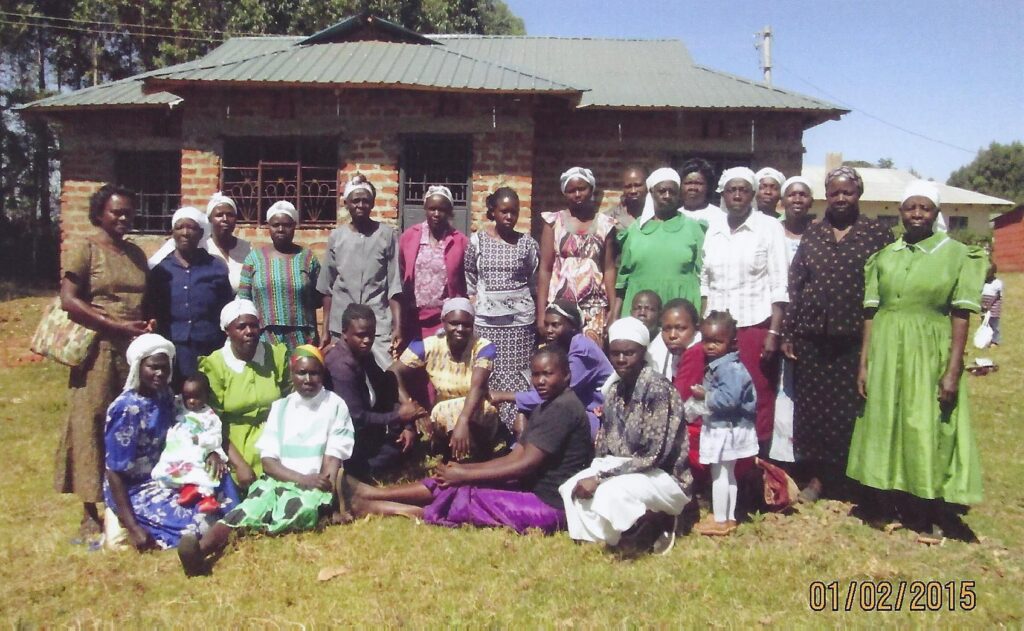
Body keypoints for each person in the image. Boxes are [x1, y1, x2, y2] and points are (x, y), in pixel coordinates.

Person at [847, 181, 985, 542]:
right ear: (900, 212)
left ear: (936, 213)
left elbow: (960, 314)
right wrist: (864, 362)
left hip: (929, 349)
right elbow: (871, 313)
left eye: (925, 208)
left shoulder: (956, 254)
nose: (917, 214)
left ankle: (924, 508)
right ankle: (881, 502)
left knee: (923, 424)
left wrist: (953, 369)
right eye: (911, 207)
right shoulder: (886, 256)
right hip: (886, 346)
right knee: (884, 421)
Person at [340, 346, 594, 534]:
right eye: (536, 374)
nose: (539, 381)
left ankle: (381, 507)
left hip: (551, 505)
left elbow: (525, 464)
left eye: (547, 374)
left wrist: (465, 476)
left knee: (466, 498)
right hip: (531, 488)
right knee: (450, 483)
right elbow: (516, 456)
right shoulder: (546, 405)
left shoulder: (563, 408)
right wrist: (463, 470)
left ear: (566, 376)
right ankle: (372, 493)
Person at [178, 345, 355, 575]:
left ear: (322, 374)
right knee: (246, 510)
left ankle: (258, 528)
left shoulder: (335, 405)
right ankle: (198, 553)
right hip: (280, 480)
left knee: (298, 510)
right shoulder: (281, 407)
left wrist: (323, 490)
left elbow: (333, 458)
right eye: (301, 373)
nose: (308, 379)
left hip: (315, 486)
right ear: (292, 375)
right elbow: (269, 462)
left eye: (314, 373)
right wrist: (302, 479)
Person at [781, 166, 893, 500]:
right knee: (813, 410)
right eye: (834, 193)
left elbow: (885, 287)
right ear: (826, 196)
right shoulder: (814, 233)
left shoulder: (877, 235)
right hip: (812, 337)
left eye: (847, 192)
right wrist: (789, 331)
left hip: (854, 337)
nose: (841, 198)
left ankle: (850, 476)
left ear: (859, 194)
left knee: (851, 408)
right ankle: (817, 477)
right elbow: (797, 283)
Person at [56, 184, 153, 540]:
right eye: (116, 212)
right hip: (97, 350)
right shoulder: (87, 249)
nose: (123, 218)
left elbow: (143, 301)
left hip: (131, 352)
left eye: (128, 212)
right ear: (100, 214)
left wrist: (146, 323)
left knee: (129, 421)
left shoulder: (136, 255)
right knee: (92, 421)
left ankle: (128, 501)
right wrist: (113, 325)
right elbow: (68, 301)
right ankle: (89, 509)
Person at [560, 317, 691, 553]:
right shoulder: (615, 390)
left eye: (629, 353)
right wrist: (595, 471)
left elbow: (654, 457)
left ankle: (657, 522)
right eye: (616, 353)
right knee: (570, 486)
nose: (621, 360)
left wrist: (601, 478)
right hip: (625, 468)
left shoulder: (657, 389)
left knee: (611, 491)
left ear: (642, 352)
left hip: (663, 475)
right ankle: (615, 535)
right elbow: (605, 445)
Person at [103, 334, 234, 551]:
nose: (160, 373)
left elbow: (186, 430)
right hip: (135, 487)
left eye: (164, 368)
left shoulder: (165, 394)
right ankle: (121, 522)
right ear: (138, 366)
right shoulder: (126, 409)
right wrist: (134, 527)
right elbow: (114, 472)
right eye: (153, 367)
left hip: (170, 472)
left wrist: (209, 451)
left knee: (220, 482)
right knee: (197, 523)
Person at [700, 166, 788, 454]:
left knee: (756, 393)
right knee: (718, 392)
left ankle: (757, 463)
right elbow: (705, 281)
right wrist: (704, 324)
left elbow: (780, 283)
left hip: (754, 324)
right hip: (717, 328)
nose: (737, 195)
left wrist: (774, 331)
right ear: (723, 194)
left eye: (744, 190)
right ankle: (723, 461)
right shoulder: (714, 227)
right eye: (731, 190)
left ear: (752, 194)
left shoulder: (769, 227)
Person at [464, 187, 539, 430]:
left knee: (518, 374)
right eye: (504, 211)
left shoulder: (527, 243)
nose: (509, 217)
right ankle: (488, 429)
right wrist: (476, 301)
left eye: (514, 212)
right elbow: (469, 274)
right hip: (487, 323)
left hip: (520, 325)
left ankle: (516, 430)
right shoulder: (478, 241)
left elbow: (534, 278)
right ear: (492, 212)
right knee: (489, 373)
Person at [324, 304, 424, 481]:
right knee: (390, 453)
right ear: (344, 332)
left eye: (371, 334)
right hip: (347, 439)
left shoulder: (364, 355)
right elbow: (357, 418)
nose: (367, 340)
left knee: (406, 442)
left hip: (368, 431)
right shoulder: (341, 366)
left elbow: (387, 390)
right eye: (361, 335)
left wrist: (406, 425)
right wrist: (399, 417)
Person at [198, 299, 290, 490]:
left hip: (277, 437)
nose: (249, 331)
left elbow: (292, 402)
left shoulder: (276, 355)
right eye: (241, 327)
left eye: (254, 325)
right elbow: (212, 421)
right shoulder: (215, 365)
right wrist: (239, 464)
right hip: (234, 444)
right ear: (227, 331)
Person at [394, 298, 499, 460]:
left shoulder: (483, 347)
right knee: (443, 412)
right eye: (454, 323)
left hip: (475, 406)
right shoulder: (428, 346)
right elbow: (393, 373)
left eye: (466, 324)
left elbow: (477, 387)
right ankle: (454, 451)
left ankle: (474, 453)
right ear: (443, 322)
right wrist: (410, 405)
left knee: (487, 408)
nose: (460, 329)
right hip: (442, 411)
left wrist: (463, 421)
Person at [491, 301, 613, 439]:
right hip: (573, 409)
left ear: (573, 327)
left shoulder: (582, 350)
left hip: (598, 415)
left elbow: (554, 394)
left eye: (555, 325)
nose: (548, 330)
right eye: (546, 324)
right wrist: (522, 411)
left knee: (548, 421)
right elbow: (538, 390)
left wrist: (503, 396)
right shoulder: (557, 348)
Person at [319, 175, 403, 368]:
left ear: (372, 204)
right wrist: (325, 330)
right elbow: (327, 288)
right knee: (342, 372)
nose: (360, 205)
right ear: (347, 204)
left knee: (385, 374)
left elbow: (394, 286)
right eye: (355, 200)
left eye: (365, 200)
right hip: (342, 325)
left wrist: (397, 327)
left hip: (377, 324)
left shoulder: (386, 235)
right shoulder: (336, 237)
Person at [689, 311, 757, 536]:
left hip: (726, 429)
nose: (710, 347)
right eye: (706, 340)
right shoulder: (724, 364)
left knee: (719, 474)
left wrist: (704, 395)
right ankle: (728, 516)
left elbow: (728, 399)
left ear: (732, 342)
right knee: (728, 474)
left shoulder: (728, 368)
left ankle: (720, 519)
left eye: (717, 342)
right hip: (731, 428)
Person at [147, 206, 233, 385]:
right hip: (172, 348)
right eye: (180, 227)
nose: (185, 233)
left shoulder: (216, 267)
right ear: (172, 232)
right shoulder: (161, 270)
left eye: (191, 228)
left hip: (209, 347)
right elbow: (151, 309)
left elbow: (226, 309)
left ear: (201, 233)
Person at [537, 167, 617, 343]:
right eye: (571, 190)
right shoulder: (553, 222)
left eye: (582, 188)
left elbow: (609, 268)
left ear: (591, 189)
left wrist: (612, 308)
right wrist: (542, 311)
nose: (577, 194)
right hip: (560, 307)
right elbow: (545, 268)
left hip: (594, 307)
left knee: (591, 357)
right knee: (559, 360)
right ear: (564, 193)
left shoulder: (605, 224)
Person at [616, 167, 705, 319]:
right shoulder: (635, 230)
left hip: (681, 310)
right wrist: (614, 315)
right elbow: (622, 279)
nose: (667, 196)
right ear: (651, 193)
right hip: (640, 312)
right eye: (662, 191)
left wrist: (701, 315)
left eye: (672, 192)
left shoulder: (693, 228)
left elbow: (704, 275)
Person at [769, 176, 814, 463]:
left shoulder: (819, 233)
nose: (797, 199)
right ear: (782, 201)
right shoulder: (772, 231)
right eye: (792, 195)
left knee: (803, 388)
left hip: (808, 320)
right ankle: (777, 452)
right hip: (776, 316)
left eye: (803, 194)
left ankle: (803, 453)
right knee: (777, 386)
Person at [238, 200, 322, 351]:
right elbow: (244, 299)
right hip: (264, 337)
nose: (281, 229)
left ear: (294, 226)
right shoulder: (254, 258)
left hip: (302, 337)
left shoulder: (307, 257)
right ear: (268, 227)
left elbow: (319, 298)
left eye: (287, 225)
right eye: (275, 225)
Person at [150, 373, 229, 513]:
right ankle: (188, 488)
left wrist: (201, 440)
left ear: (207, 395)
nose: (191, 401)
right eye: (188, 397)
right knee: (169, 462)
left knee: (202, 466)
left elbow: (216, 438)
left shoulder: (211, 417)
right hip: (178, 446)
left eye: (197, 397)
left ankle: (207, 497)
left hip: (200, 447)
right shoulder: (180, 406)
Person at [398, 185, 469, 341]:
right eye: (432, 209)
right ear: (425, 209)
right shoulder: (409, 237)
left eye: (442, 210)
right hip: (413, 318)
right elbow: (402, 271)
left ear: (449, 212)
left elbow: (464, 282)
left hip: (444, 320)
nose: (436, 214)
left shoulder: (460, 241)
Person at [204, 192, 252, 293]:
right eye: (219, 215)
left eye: (230, 215)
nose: (225, 219)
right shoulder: (203, 248)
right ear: (210, 219)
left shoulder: (246, 249)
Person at [649, 298, 700, 381]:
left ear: (696, 328)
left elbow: (680, 393)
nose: (672, 335)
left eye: (680, 328)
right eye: (666, 329)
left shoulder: (696, 355)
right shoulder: (664, 353)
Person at [678, 158, 723, 226]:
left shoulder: (719, 216)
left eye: (699, 183)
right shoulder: (673, 216)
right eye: (688, 183)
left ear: (708, 186)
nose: (693, 188)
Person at [605, 165, 647, 232]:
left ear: (647, 185)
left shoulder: (657, 214)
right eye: (628, 187)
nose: (633, 191)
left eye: (638, 185)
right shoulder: (609, 217)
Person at [981, 263, 1003, 346]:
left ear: (993, 272)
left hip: (994, 307)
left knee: (994, 324)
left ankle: (995, 340)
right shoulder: (983, 283)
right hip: (984, 306)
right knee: (985, 324)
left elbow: (997, 295)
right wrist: (982, 304)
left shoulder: (997, 283)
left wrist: (989, 305)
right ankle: (986, 340)